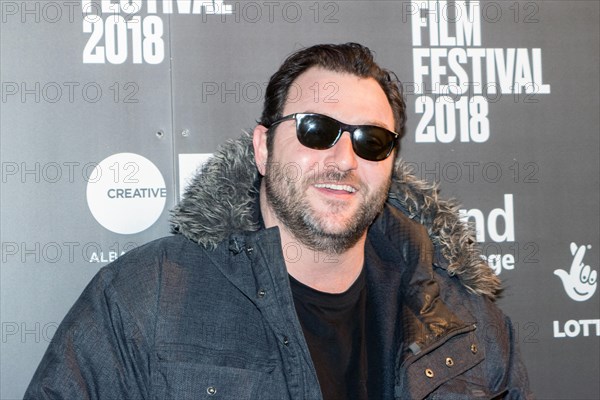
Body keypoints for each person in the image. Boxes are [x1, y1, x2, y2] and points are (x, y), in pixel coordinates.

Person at [25, 43, 532, 399]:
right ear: (264, 148)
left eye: (370, 141)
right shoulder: (144, 297)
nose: (344, 160)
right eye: (317, 130)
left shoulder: (467, 322)